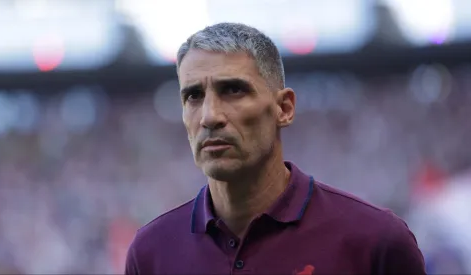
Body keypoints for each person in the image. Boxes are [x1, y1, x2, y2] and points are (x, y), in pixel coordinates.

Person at [125, 22, 426, 275]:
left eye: (233, 90)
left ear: (284, 108)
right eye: (193, 96)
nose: (209, 116)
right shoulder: (151, 252)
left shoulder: (375, 241)